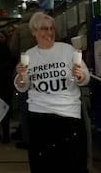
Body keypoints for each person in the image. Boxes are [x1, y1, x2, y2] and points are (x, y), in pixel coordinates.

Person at [14, 11, 90, 173]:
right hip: (39, 117)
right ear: (33, 32)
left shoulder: (68, 50)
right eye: (44, 29)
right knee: (44, 166)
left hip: (69, 115)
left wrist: (81, 76)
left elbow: (84, 77)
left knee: (73, 165)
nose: (49, 33)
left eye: (51, 28)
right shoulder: (29, 55)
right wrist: (20, 76)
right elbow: (22, 86)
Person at [9, 1, 40, 149]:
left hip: (25, 70)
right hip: (44, 71)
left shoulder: (20, 29)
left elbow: (13, 49)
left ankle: (28, 140)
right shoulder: (46, 26)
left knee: (25, 106)